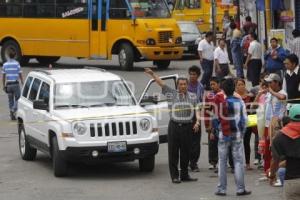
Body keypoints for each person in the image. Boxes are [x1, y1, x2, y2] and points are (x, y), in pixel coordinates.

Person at [144, 68, 199, 184]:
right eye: (180, 84)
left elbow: (197, 110)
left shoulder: (193, 96)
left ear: (187, 85)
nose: (182, 86)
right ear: (177, 85)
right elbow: (161, 83)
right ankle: (174, 176)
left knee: (186, 152)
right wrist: (152, 74)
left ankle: (184, 175)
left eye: (184, 84)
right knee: (173, 152)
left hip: (187, 127)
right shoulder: (171, 94)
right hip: (174, 127)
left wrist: (197, 121)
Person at [214, 78, 251, 196]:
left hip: (223, 135)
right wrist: (242, 132)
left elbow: (215, 120)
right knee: (239, 162)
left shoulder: (220, 103)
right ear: (234, 89)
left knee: (222, 161)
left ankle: (222, 189)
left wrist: (218, 130)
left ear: (223, 90)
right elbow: (245, 121)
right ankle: (240, 189)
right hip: (237, 136)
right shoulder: (240, 102)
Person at [270, 104, 300, 200]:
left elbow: (275, 161)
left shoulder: (280, 137)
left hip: (292, 181)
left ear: (289, 116)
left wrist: (272, 175)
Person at [262, 73, 287, 176]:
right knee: (268, 149)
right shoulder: (270, 94)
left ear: (277, 83)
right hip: (270, 124)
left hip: (278, 125)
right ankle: (269, 172)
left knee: (277, 152)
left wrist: (271, 92)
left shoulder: (282, 92)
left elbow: (282, 97)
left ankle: (275, 174)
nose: (269, 84)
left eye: (270, 82)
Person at [187, 65, 204, 172]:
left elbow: (201, 101)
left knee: (196, 141)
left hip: (196, 115)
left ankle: (194, 163)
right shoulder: (184, 85)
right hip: (184, 115)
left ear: (198, 76)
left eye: (194, 74)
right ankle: (186, 161)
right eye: (191, 74)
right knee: (186, 140)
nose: (192, 76)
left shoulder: (200, 87)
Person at [235, 79, 255, 170]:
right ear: (235, 87)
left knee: (246, 143)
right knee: (237, 143)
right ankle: (236, 163)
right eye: (238, 85)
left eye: (242, 84)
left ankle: (247, 163)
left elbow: (254, 110)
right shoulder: (234, 97)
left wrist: (254, 123)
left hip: (248, 122)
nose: (241, 86)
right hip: (237, 123)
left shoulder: (250, 97)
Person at [204, 77, 222, 171]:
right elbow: (206, 110)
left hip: (223, 123)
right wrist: (207, 125)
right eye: (211, 84)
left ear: (219, 84)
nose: (212, 86)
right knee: (212, 143)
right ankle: (212, 162)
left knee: (222, 143)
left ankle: (222, 161)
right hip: (212, 123)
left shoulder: (223, 94)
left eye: (214, 84)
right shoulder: (209, 96)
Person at [2, 51, 24, 120]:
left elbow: (3, 76)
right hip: (15, 84)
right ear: (14, 56)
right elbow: (20, 73)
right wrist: (22, 82)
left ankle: (12, 115)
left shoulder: (5, 64)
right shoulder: (17, 64)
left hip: (8, 85)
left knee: (10, 100)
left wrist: (3, 85)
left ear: (8, 55)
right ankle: (13, 110)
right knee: (18, 98)